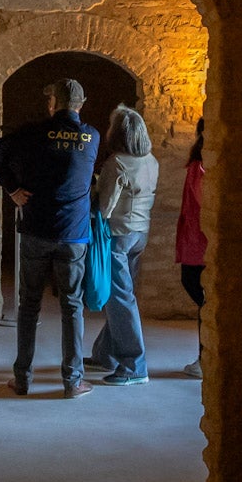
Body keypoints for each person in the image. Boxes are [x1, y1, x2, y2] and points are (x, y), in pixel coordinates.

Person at [0, 79, 100, 399]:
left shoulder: (34, 133)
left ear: (53, 104)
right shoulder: (93, 136)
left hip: (36, 228)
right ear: (82, 103)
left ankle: (22, 379)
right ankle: (72, 381)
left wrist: (12, 188)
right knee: (72, 307)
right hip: (74, 234)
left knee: (29, 305)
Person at [85, 105, 159, 386]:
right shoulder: (150, 160)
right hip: (140, 232)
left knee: (119, 299)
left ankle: (134, 364)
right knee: (123, 297)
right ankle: (106, 353)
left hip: (117, 234)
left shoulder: (116, 163)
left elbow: (105, 208)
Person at [177, 117, 207, 379]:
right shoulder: (200, 164)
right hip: (196, 240)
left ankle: (205, 357)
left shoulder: (200, 166)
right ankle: (205, 356)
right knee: (203, 297)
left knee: (204, 298)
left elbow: (203, 201)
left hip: (199, 242)